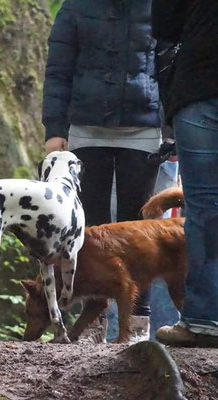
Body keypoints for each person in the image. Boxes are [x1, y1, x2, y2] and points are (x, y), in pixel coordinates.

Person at [42, 0, 162, 342]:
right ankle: (93, 320)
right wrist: (54, 129)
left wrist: (171, 130)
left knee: (141, 231)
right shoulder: (75, 7)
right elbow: (58, 70)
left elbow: (169, 65)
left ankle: (137, 325)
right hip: (85, 129)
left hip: (146, 127)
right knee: (88, 230)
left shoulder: (160, 8)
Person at [152, 0, 218, 347]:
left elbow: (164, 24)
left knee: (205, 209)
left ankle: (204, 319)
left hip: (200, 85)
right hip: (198, 87)